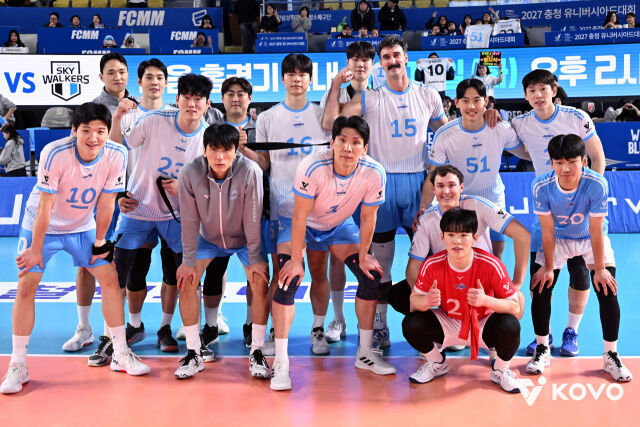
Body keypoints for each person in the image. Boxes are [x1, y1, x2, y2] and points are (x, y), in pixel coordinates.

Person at [0, 103, 149, 395]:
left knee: (109, 278)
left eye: (100, 131)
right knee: (26, 285)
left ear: (108, 132)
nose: (93, 138)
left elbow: (107, 202)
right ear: (74, 131)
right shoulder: (54, 153)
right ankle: (18, 364)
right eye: (86, 131)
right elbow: (45, 206)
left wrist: (100, 242)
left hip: (82, 226)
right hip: (44, 226)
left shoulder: (117, 153)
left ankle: (120, 353)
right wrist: (35, 249)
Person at [325, 36, 448, 349]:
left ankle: (439, 324)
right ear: (380, 63)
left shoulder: (428, 95)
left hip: (420, 184)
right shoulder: (370, 97)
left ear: (406, 57)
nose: (392, 61)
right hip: (381, 183)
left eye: (396, 55)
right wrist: (336, 86)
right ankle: (380, 325)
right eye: (386, 57)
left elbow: (448, 133)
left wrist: (485, 120)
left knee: (431, 259)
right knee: (380, 261)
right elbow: (331, 121)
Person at [272, 115, 394, 390]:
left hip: (337, 224)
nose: (348, 148)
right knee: (288, 279)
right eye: (342, 140)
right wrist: (296, 259)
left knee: (370, 275)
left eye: (356, 142)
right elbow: (300, 216)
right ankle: (281, 361)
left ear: (365, 148)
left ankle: (365, 353)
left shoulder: (374, 172)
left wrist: (364, 254)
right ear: (332, 143)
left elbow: (368, 216)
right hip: (299, 221)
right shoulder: (312, 166)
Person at [108, 74, 213, 363]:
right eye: (186, 97)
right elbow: (118, 149)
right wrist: (116, 120)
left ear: (207, 104)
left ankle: (175, 333)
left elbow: (209, 182)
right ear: (176, 99)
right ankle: (117, 336)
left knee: (183, 276)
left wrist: (185, 186)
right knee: (119, 274)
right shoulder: (154, 120)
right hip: (137, 209)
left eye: (198, 99)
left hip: (177, 215)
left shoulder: (207, 137)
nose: (192, 103)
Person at [509, 69, 606, 357]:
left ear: (554, 90)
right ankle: (545, 335)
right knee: (540, 277)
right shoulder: (521, 123)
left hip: (580, 208)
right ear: (525, 96)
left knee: (580, 274)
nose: (538, 95)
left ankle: (571, 331)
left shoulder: (576, 117)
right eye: (532, 91)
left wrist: (589, 195)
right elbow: (520, 149)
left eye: (543, 89)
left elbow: (597, 157)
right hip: (548, 207)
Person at [91, 59, 183, 357]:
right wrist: (118, 194)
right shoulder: (127, 115)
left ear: (166, 83)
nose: (154, 82)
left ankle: (166, 327)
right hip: (135, 205)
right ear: (139, 82)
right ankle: (133, 324)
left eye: (159, 77)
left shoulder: (177, 114)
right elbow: (112, 154)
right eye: (149, 77)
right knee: (133, 271)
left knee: (172, 271)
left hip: (172, 208)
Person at [526, 134, 632, 382]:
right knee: (540, 286)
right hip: (558, 238)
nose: (565, 168)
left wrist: (600, 268)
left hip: (588, 238)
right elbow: (548, 230)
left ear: (584, 161)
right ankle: (542, 347)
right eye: (559, 162)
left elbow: (596, 229)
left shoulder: (596, 184)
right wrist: (548, 267)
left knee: (607, 288)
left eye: (571, 161)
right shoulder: (541, 186)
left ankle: (611, 355)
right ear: (551, 163)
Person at [174, 124, 268, 379]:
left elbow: (253, 217)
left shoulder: (250, 170)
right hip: (208, 239)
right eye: (214, 149)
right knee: (186, 280)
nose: (220, 156)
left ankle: (257, 351)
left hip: (244, 238)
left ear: (235, 151)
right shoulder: (190, 173)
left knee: (259, 281)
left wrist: (255, 257)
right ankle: (193, 352)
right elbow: (189, 221)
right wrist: (188, 260)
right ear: (204, 150)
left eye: (226, 150)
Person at [255, 54, 333, 358]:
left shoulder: (323, 116)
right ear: (282, 79)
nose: (297, 79)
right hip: (284, 209)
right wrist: (244, 149)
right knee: (283, 274)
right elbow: (264, 164)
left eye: (302, 74)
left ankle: (318, 328)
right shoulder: (267, 118)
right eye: (291, 74)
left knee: (318, 271)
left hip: (319, 209)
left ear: (310, 80)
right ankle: (276, 329)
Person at [402, 208, 521, 393]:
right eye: (451, 235)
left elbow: (515, 306)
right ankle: (437, 363)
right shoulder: (432, 265)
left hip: (482, 324)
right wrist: (427, 300)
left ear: (475, 238)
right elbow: (414, 301)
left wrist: (486, 300)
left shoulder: (491, 264)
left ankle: (500, 370)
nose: (457, 241)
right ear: (442, 237)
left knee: (511, 326)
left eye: (464, 235)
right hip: (449, 322)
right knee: (411, 323)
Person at [396, 165, 529, 320]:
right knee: (398, 295)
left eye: (451, 185)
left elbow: (522, 235)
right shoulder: (427, 219)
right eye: (440, 186)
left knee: (517, 300)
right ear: (433, 189)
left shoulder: (478, 205)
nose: (446, 191)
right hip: (449, 280)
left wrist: (517, 282)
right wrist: (422, 296)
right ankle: (446, 325)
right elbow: (413, 267)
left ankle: (488, 327)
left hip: (481, 279)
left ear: (461, 187)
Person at [195, 77, 268, 351]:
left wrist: (244, 147)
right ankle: (211, 324)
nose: (235, 98)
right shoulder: (210, 125)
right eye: (230, 94)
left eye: (241, 94)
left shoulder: (259, 127)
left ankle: (250, 325)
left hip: (251, 208)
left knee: (254, 272)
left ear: (250, 99)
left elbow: (265, 165)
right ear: (222, 99)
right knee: (215, 269)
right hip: (216, 211)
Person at [423, 79, 530, 258]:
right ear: (456, 102)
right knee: (462, 255)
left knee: (495, 257)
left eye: (476, 100)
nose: (471, 106)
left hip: (493, 199)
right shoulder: (445, 134)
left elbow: (526, 153)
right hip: (461, 202)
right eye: (465, 101)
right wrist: (423, 207)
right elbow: (432, 175)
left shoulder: (500, 128)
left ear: (486, 101)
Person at [321, 41, 375, 343]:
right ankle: (338, 319)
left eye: (366, 59)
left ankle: (376, 321)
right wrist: (334, 87)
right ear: (347, 63)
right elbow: (329, 124)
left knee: (375, 252)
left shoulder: (382, 90)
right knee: (337, 254)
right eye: (355, 59)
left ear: (373, 64)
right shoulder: (337, 93)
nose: (360, 64)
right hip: (341, 181)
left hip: (374, 179)